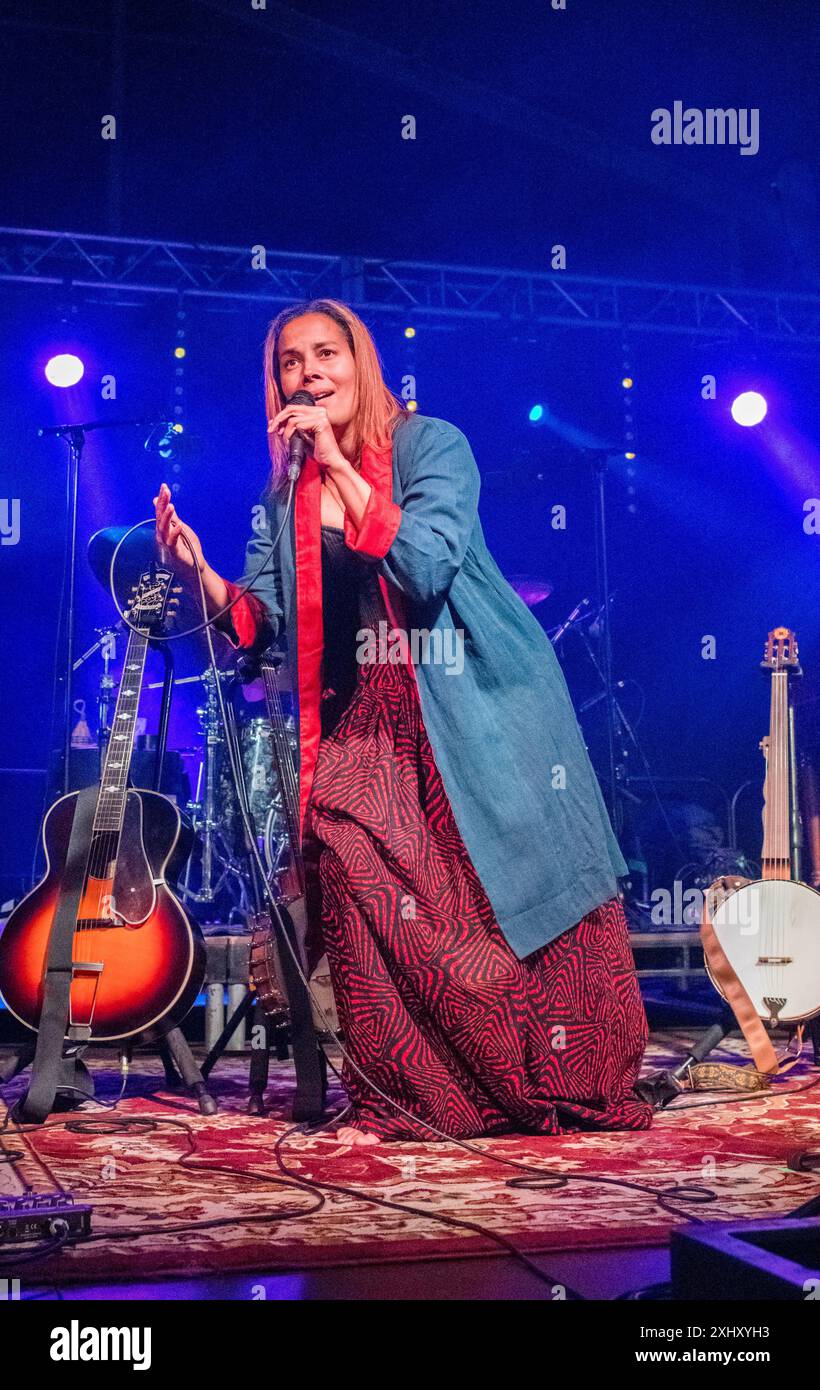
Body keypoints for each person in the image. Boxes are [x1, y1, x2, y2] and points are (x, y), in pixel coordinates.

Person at [154, 297, 652, 1146]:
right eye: (289, 362)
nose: (308, 373)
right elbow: (261, 621)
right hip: (364, 716)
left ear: (362, 363)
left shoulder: (434, 446)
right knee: (350, 866)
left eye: (325, 355)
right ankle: (420, 1096)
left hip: (473, 698)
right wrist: (199, 570)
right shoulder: (281, 497)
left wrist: (344, 471)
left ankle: (551, 1076)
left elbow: (423, 565)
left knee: (500, 896)